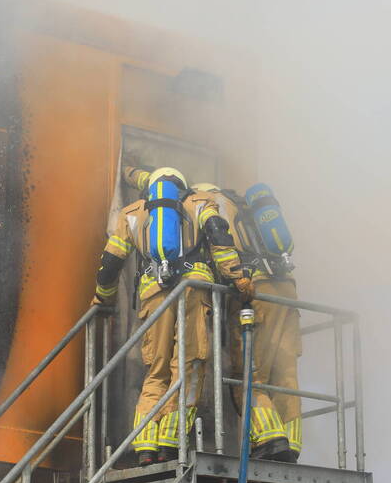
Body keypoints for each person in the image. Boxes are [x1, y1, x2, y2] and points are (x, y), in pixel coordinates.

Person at [93, 167, 253, 466]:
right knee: (189, 365)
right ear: (182, 184)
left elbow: (111, 262)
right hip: (191, 292)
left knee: (156, 372)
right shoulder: (199, 202)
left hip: (153, 295)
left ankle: (145, 444)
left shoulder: (132, 212)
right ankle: (171, 438)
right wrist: (237, 276)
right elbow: (219, 237)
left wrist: (103, 296)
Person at [190, 182, 301, 463]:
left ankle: (270, 437)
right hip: (286, 291)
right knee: (284, 374)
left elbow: (222, 250)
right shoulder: (245, 208)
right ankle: (292, 442)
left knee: (248, 375)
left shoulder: (209, 207)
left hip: (256, 291)